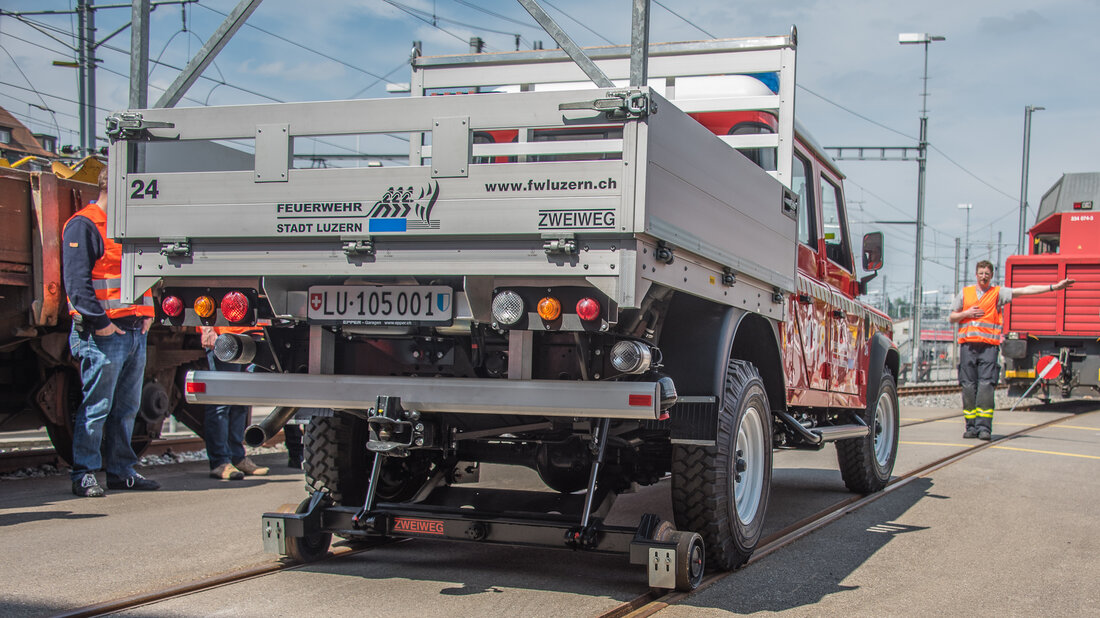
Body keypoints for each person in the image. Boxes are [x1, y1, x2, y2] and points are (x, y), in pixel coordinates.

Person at [63, 163, 160, 496]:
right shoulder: (84, 225)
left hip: (133, 330)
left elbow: (143, 274)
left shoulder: (127, 226)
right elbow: (77, 284)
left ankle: (121, 470)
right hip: (103, 332)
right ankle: (84, 473)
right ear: (114, 189)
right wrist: (101, 324)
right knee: (97, 407)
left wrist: (148, 312)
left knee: (126, 408)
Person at [948, 260, 1073, 441]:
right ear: (976, 274)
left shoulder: (998, 293)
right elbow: (952, 317)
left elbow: (1025, 290)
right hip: (968, 346)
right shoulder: (965, 293)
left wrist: (1054, 287)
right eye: (981, 273)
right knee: (968, 386)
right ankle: (970, 426)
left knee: (986, 386)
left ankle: (984, 428)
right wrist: (965, 314)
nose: (984, 276)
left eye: (987, 273)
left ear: (991, 276)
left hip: (988, 348)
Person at [199, 326, 270, 479]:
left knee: (240, 403)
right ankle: (220, 462)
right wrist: (207, 329)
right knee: (221, 403)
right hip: (226, 336)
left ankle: (237, 458)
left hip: (251, 334)